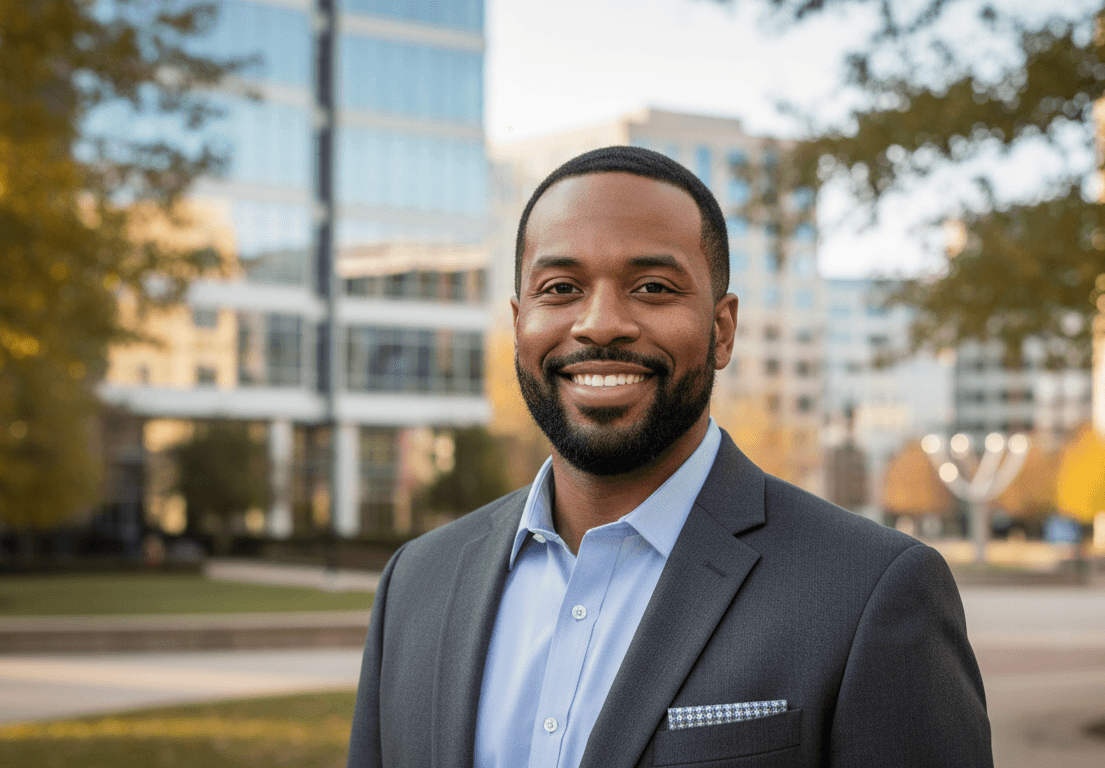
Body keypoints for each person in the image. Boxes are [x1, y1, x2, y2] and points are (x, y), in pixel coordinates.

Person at [347, 146, 992, 767]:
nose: (600, 323)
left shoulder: (868, 591)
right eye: (561, 287)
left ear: (722, 328)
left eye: (653, 287)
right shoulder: (416, 581)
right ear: (519, 322)